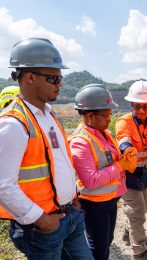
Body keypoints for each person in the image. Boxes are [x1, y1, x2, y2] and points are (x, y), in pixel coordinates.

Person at [0, 38, 93, 259]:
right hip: (43, 227)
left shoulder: (49, 116)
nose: (59, 83)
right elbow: (3, 185)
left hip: (70, 216)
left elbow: (60, 163)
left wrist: (73, 198)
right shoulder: (13, 124)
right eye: (52, 78)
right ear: (30, 77)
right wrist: (41, 220)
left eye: (60, 78)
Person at [69, 84, 136, 259]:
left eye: (110, 115)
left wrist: (125, 158)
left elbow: (109, 159)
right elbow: (90, 180)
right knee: (97, 249)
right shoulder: (80, 142)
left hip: (109, 200)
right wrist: (119, 167)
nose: (109, 119)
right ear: (90, 115)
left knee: (106, 242)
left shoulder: (103, 132)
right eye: (106, 115)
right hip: (94, 205)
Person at [115, 80, 147, 259]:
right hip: (128, 174)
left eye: (145, 107)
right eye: (137, 106)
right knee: (137, 212)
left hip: (142, 171)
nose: (141, 111)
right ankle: (139, 251)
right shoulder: (124, 122)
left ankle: (128, 230)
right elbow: (123, 138)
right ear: (131, 104)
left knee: (145, 206)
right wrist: (127, 149)